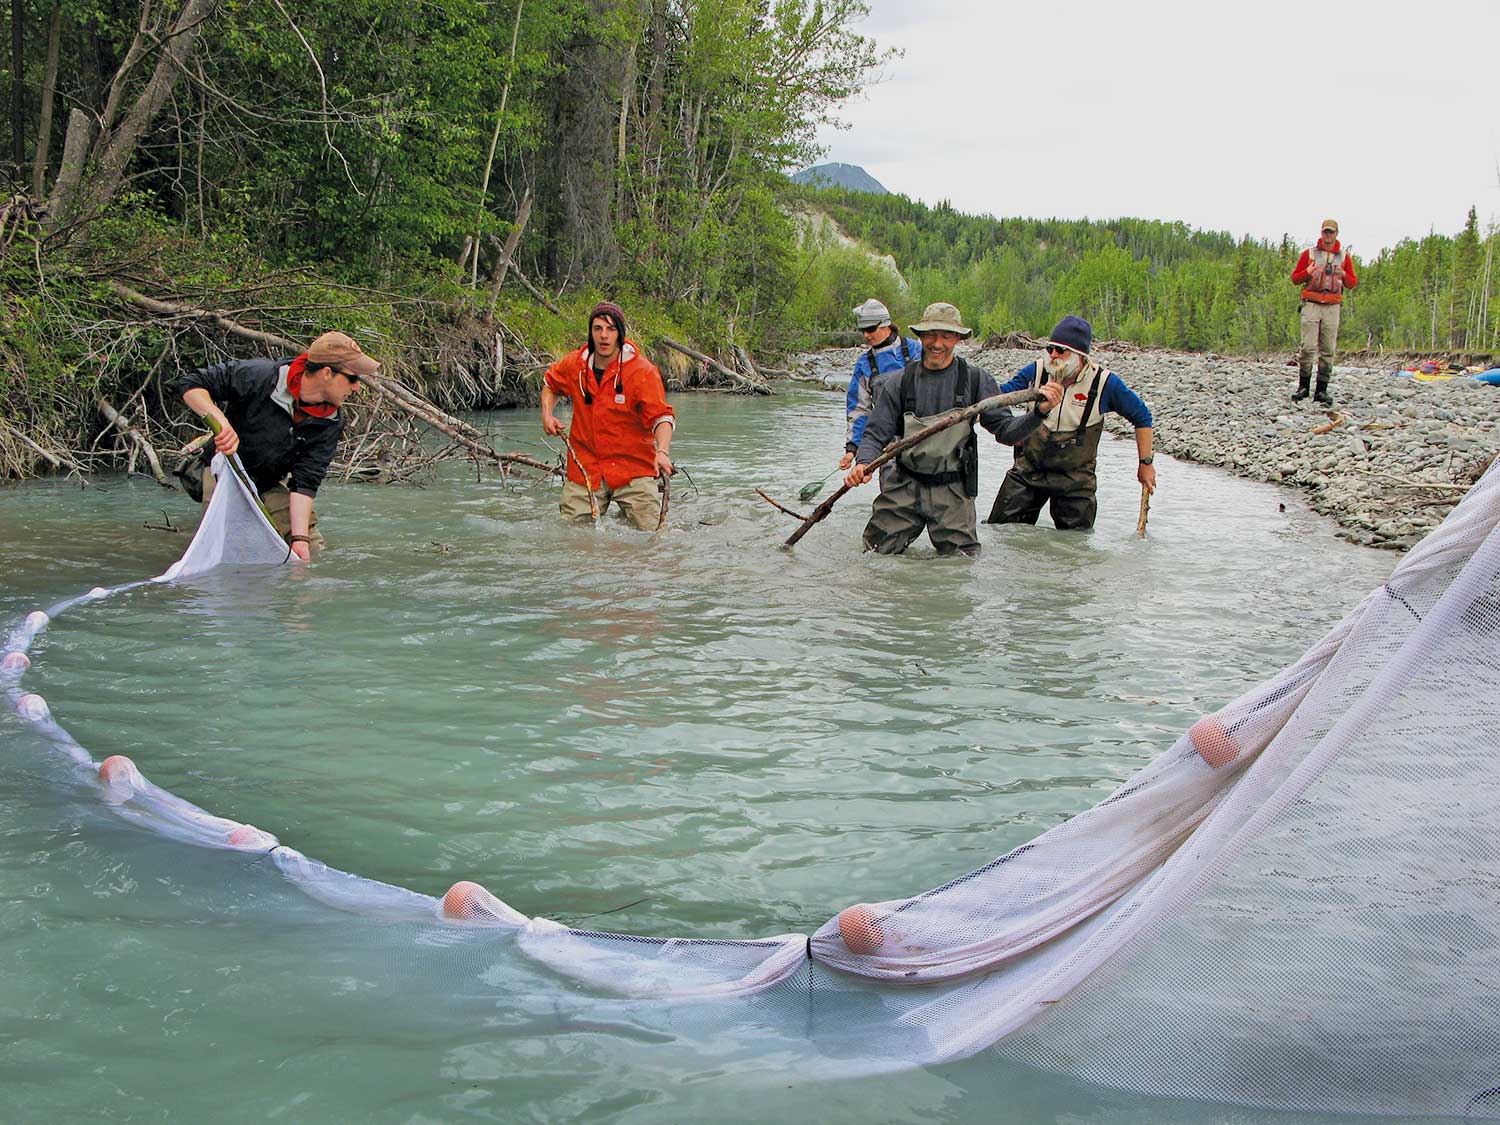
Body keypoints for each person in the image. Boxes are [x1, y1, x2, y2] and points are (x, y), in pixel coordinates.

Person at [844, 301, 1062, 556]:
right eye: (931, 335)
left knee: (961, 565)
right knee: (874, 557)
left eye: (946, 336)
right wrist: (863, 461)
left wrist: (1039, 413)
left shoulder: (975, 379)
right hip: (903, 484)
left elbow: (1006, 432)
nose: (938, 343)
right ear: (921, 336)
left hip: (953, 492)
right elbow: (874, 433)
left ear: (958, 339)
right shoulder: (898, 382)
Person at [176, 330, 377, 560]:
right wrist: (220, 421)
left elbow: (306, 481)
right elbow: (190, 383)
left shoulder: (331, 422)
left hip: (269, 480)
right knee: (227, 548)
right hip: (223, 470)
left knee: (310, 551)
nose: (357, 388)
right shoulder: (258, 376)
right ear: (327, 373)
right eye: (353, 378)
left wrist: (299, 540)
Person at [986, 316, 1155, 532]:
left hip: (1075, 482)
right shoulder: (1036, 372)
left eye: (1061, 350)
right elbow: (999, 397)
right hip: (1027, 473)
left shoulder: (1104, 383)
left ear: (1081, 356)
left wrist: (1145, 464)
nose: (1053, 355)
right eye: (1050, 349)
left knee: (1075, 549)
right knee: (999, 534)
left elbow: (1142, 417)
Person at [541, 301, 675, 530]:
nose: (604, 336)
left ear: (620, 334)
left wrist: (662, 452)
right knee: (571, 534)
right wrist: (547, 414)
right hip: (586, 464)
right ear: (590, 332)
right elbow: (550, 383)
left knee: (653, 534)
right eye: (598, 329)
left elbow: (662, 418)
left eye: (611, 329)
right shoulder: (575, 364)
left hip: (633, 466)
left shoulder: (643, 371)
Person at [839, 298, 921, 470]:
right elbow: (860, 410)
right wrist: (852, 449)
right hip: (887, 446)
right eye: (863, 331)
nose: (866, 335)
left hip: (923, 439)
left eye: (870, 329)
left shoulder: (915, 351)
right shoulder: (863, 364)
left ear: (886, 324)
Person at [1290, 218, 1358, 405]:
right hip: (1311, 303)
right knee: (1308, 347)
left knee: (1328, 349)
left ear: (1336, 234)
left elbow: (1352, 283)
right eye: (1325, 232)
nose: (1328, 235)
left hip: (1332, 306)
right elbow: (1295, 278)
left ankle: (1321, 390)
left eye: (1331, 232)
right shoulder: (1309, 254)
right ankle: (1303, 387)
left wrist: (1344, 274)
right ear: (1321, 233)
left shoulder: (1344, 257)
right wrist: (1308, 272)